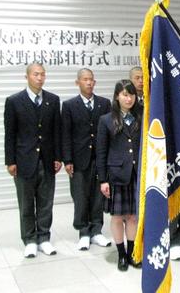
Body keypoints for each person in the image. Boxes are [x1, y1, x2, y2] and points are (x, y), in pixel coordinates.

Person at [4, 62, 62, 258]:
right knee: (26, 203)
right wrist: (10, 161)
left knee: (46, 202)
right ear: (27, 76)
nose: (40, 78)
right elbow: (10, 134)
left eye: (43, 74)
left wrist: (58, 157)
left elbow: (56, 132)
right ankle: (29, 239)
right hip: (23, 161)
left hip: (46, 160)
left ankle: (44, 237)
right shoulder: (14, 101)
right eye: (36, 74)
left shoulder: (53, 101)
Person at [61, 68, 112, 250]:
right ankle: (83, 231)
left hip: (99, 159)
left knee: (98, 196)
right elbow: (65, 134)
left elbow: (109, 133)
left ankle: (97, 231)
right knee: (80, 196)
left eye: (91, 80)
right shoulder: (69, 106)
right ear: (78, 83)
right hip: (78, 159)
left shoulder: (104, 104)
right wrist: (67, 160)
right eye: (85, 79)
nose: (89, 82)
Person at [96, 80, 142, 271]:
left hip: (136, 173)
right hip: (116, 174)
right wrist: (103, 180)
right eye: (124, 94)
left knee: (132, 216)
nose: (128, 98)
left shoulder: (142, 116)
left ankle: (132, 252)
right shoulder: (106, 119)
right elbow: (101, 151)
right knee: (116, 217)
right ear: (116, 96)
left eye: (131, 94)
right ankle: (121, 254)